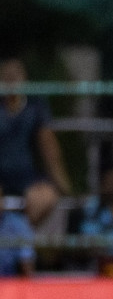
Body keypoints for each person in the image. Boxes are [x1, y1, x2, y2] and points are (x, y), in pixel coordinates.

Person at [0, 58, 72, 227]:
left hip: (27, 176)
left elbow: (49, 147)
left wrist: (63, 185)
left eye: (15, 75)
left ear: (24, 78)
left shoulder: (35, 105)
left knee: (45, 197)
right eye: (6, 76)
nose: (11, 80)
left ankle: (20, 236)